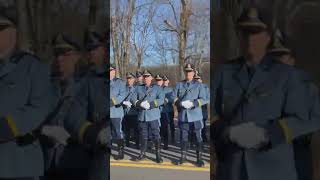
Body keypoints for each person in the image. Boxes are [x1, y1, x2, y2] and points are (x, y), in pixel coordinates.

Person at [211, 7, 315, 180]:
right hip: (233, 170)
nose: (250, 38)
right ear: (238, 35)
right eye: (245, 32)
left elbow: (302, 119)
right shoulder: (223, 74)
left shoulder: (287, 75)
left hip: (273, 170)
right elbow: (210, 112)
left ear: (267, 37)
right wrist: (227, 132)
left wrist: (269, 134)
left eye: (256, 32)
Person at [42, 33, 107, 180]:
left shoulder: (91, 85)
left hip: (77, 165)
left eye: (65, 54)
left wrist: (73, 135)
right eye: (56, 54)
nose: (59, 60)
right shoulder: (49, 87)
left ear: (78, 56)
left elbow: (97, 125)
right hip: (47, 164)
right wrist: (44, 130)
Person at [0, 11, 52, 180]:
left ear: (13, 33)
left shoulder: (33, 67)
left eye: (1, 29)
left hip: (19, 164)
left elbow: (40, 108)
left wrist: (8, 127)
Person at [268, 29, 320, 180]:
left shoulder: (307, 87)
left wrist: (285, 129)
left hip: (296, 158)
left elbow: (316, 119)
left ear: (292, 60)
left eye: (282, 56)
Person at [84, 29, 110, 180]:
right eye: (89, 50)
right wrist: (95, 133)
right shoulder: (89, 80)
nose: (91, 54)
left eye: (95, 49)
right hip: (97, 153)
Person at [172, 63, 207, 167]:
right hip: (183, 116)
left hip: (196, 115)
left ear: (193, 72)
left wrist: (194, 103)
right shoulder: (179, 85)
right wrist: (179, 103)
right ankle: (183, 157)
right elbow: (173, 96)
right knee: (184, 137)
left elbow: (204, 99)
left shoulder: (199, 85)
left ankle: (199, 158)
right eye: (186, 71)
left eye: (190, 71)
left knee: (198, 137)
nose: (188, 73)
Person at [132, 70, 164, 163]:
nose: (146, 78)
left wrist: (151, 104)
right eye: (144, 76)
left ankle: (158, 154)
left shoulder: (157, 88)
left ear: (151, 78)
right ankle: (142, 153)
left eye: (147, 76)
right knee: (143, 135)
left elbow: (161, 99)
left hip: (153, 115)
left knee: (156, 135)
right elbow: (133, 98)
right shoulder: (138, 88)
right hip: (142, 116)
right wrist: (140, 103)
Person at [110, 64, 127, 160]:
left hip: (116, 112)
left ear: (114, 71)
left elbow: (122, 95)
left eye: (111, 70)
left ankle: (121, 151)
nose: (109, 72)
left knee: (118, 131)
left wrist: (112, 102)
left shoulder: (120, 83)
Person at [122, 72, 139, 149]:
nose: (129, 80)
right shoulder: (123, 89)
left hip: (134, 112)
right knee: (126, 129)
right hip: (125, 112)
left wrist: (132, 104)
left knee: (136, 129)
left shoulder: (137, 89)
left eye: (130, 78)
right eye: (128, 78)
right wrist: (123, 103)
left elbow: (140, 100)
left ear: (134, 79)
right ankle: (127, 143)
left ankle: (137, 144)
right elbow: (120, 98)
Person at [194, 72, 210, 143]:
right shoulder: (192, 86)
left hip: (202, 108)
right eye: (195, 79)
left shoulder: (205, 87)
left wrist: (200, 102)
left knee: (202, 124)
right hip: (193, 108)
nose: (197, 80)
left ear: (201, 79)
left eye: (198, 79)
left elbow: (208, 98)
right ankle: (194, 139)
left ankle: (203, 138)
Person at [162, 75, 175, 144]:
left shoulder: (171, 89)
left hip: (169, 110)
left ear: (168, 81)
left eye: (166, 80)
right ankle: (164, 140)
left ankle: (172, 137)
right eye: (163, 80)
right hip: (162, 110)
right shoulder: (160, 89)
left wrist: (168, 100)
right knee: (163, 126)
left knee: (171, 124)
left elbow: (173, 98)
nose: (164, 82)